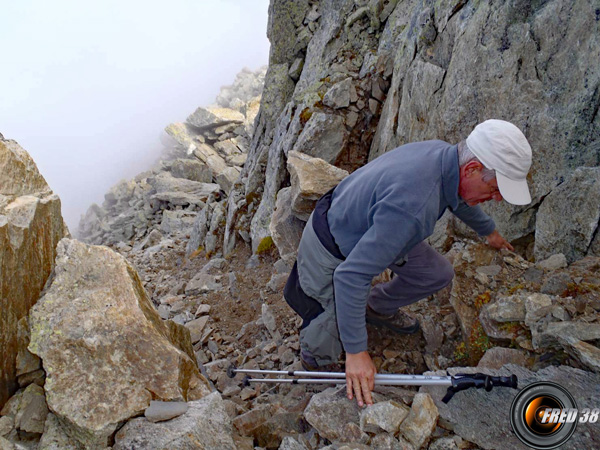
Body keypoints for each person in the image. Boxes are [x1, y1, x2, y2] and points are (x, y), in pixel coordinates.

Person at [283, 119, 533, 407]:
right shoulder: (413, 206)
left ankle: (375, 307)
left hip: (374, 225)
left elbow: (460, 198)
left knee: (437, 273)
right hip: (331, 247)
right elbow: (350, 276)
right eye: (496, 188)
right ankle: (316, 363)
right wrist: (356, 353)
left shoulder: (445, 157)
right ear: (472, 168)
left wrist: (488, 230)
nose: (498, 198)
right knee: (326, 331)